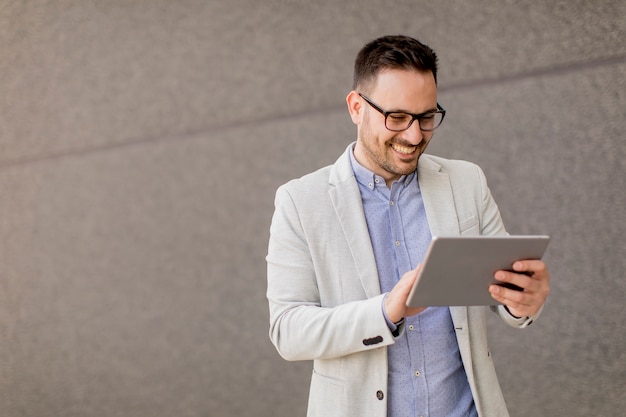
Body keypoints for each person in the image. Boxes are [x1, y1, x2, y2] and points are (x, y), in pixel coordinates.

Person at [266, 35, 550, 417]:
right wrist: (384, 311)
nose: (414, 135)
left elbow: (503, 295)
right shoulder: (301, 202)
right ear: (356, 107)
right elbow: (287, 331)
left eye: (426, 117)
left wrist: (522, 301)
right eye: (397, 117)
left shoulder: (467, 182)